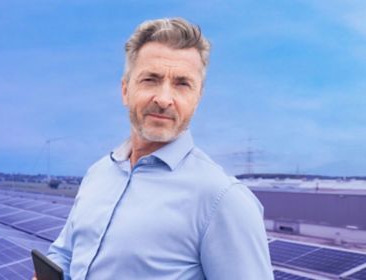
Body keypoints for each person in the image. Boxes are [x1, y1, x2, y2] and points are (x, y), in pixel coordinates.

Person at [40, 18, 273, 279]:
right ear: (125, 90)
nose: (164, 99)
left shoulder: (222, 199)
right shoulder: (98, 173)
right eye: (150, 79)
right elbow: (66, 253)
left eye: (182, 84)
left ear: (197, 98)